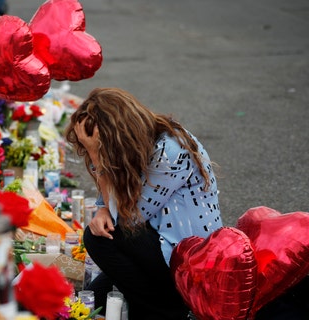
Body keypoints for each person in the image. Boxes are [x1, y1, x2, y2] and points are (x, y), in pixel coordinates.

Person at [64, 87, 223, 319]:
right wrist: (102, 209)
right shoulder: (146, 139)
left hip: (188, 259)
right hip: (162, 238)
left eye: (99, 144)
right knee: (94, 295)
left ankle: (168, 309)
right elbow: (120, 202)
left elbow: (130, 217)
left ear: (117, 133)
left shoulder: (169, 151)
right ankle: (151, 302)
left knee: (99, 240)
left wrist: (98, 157)